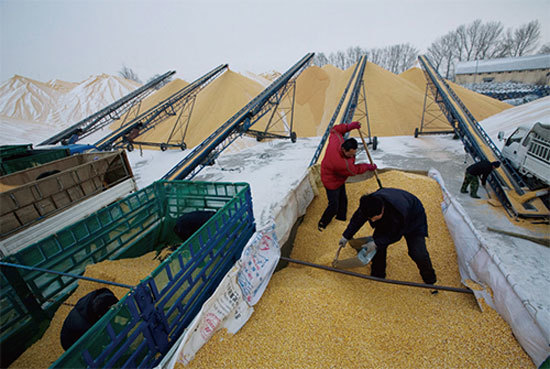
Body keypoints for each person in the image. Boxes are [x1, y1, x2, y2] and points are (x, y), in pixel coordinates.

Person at [338, 188, 437, 284]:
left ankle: (429, 279)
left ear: (382, 210)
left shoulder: (399, 211)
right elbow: (357, 220)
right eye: (370, 218)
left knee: (418, 252)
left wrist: (376, 243)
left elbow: (396, 235)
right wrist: (346, 236)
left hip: (413, 219)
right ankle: (378, 275)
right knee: (377, 247)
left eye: (374, 218)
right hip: (390, 217)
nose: (372, 221)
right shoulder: (368, 204)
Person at [318, 121, 377, 231]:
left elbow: (335, 129)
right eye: (351, 154)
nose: (353, 155)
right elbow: (356, 170)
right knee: (333, 205)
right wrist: (368, 166)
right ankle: (322, 222)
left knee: (343, 199)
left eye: (354, 153)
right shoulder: (343, 164)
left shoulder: (337, 140)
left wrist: (349, 127)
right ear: (344, 150)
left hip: (338, 177)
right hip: (330, 181)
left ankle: (341, 218)